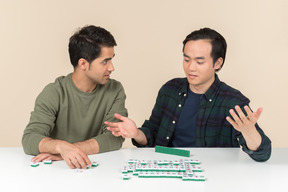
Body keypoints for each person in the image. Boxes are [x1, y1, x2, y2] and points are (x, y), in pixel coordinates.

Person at [105, 28, 271, 162]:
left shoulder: (232, 101)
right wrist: (137, 134)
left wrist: (249, 132)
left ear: (218, 63)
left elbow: (263, 154)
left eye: (199, 62)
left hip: (213, 174)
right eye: (186, 59)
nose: (191, 68)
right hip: (166, 164)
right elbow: (152, 137)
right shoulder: (169, 89)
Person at [22, 25, 128, 169]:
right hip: (56, 171)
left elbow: (114, 138)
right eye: (105, 61)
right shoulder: (54, 92)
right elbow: (30, 139)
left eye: (111, 60)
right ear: (83, 63)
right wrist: (61, 147)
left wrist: (69, 150)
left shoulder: (115, 90)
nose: (111, 67)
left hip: (99, 168)